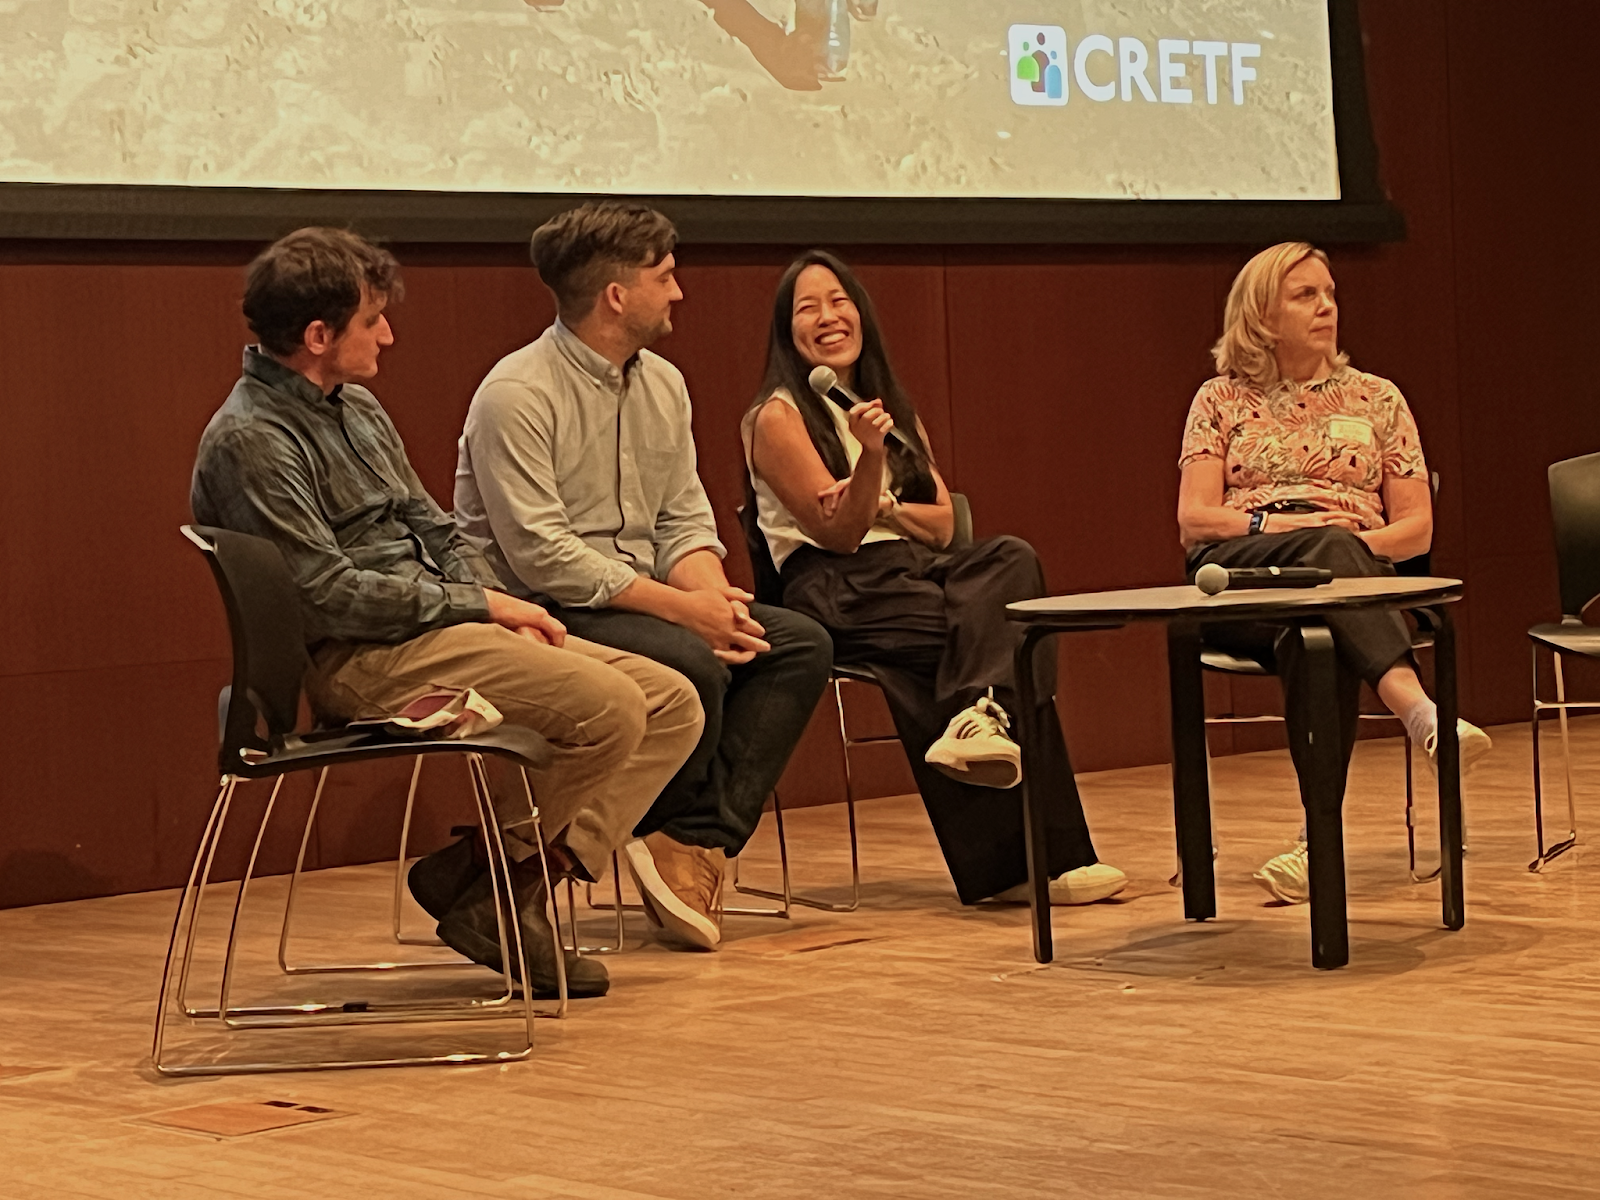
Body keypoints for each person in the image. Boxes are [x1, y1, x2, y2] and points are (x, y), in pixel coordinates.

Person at [191, 227, 703, 998]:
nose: (389, 335)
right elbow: (325, 593)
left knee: (672, 702)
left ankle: (495, 882)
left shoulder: (353, 405)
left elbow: (432, 525)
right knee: (612, 707)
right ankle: (495, 887)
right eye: (372, 321)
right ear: (319, 335)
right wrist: (476, 602)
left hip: (438, 629)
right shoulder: (251, 439)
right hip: (362, 659)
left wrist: (494, 609)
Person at [455, 202, 833, 951]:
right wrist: (686, 616)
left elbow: (682, 519)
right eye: (665, 276)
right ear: (617, 296)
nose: (680, 292)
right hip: (541, 609)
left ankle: (691, 842)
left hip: (637, 594)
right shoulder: (516, 394)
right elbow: (543, 556)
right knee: (691, 661)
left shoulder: (664, 384)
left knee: (794, 644)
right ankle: (660, 832)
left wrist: (709, 595)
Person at [741, 249, 1126, 908]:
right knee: (1008, 637)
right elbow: (839, 533)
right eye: (808, 308)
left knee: (1010, 557)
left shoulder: (889, 411)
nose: (829, 317)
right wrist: (868, 462)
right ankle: (1042, 853)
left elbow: (947, 525)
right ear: (787, 331)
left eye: (839, 301)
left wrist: (883, 497)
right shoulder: (775, 418)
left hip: (914, 570)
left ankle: (984, 734)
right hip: (836, 585)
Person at [1176, 241, 1493, 905]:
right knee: (1326, 560)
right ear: (1261, 314)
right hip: (1241, 576)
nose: (1327, 308)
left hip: (1348, 577)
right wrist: (1278, 529)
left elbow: (1416, 530)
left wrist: (1343, 547)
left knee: (1316, 634)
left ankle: (1311, 846)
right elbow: (1196, 520)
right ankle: (1419, 714)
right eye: (1306, 296)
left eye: (1330, 294)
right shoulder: (1220, 399)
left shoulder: (1377, 399)